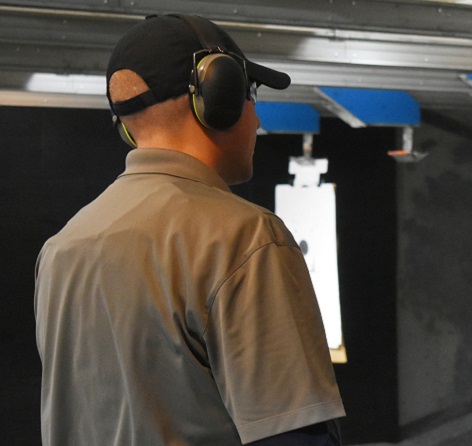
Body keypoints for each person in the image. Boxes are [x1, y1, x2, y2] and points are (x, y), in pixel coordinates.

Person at [34, 14, 345, 445]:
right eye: (251, 94)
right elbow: (294, 436)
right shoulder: (244, 238)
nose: (256, 120)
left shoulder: (61, 249)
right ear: (219, 95)